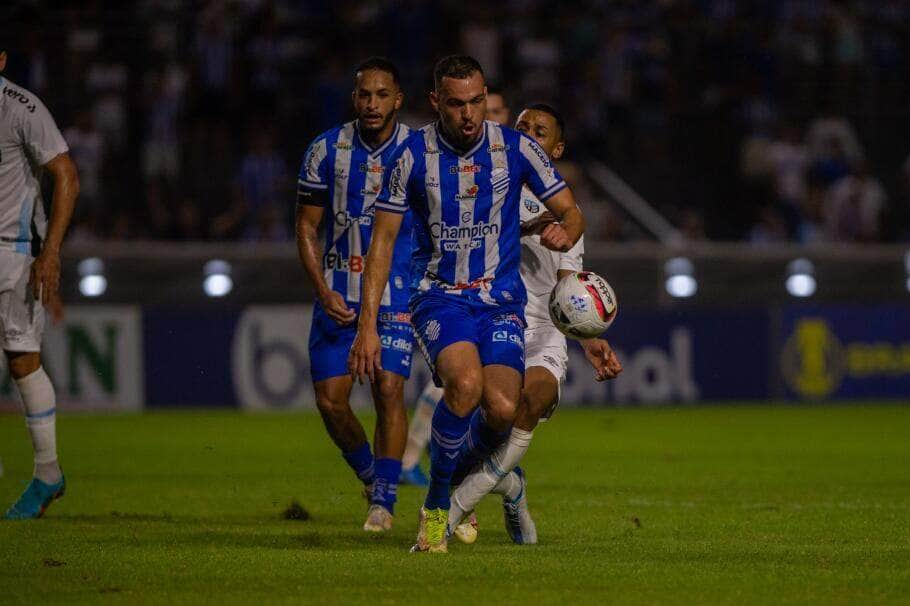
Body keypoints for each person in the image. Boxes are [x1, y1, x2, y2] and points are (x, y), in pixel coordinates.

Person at [348, 55, 585, 553]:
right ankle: (437, 508)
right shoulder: (410, 155)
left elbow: (571, 210)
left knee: (501, 408)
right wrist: (368, 324)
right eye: (457, 104)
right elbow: (383, 245)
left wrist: (568, 229)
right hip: (439, 296)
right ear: (437, 103)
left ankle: (467, 482)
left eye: (477, 101)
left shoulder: (517, 148)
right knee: (465, 387)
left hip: (500, 301)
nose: (470, 115)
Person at [448, 104, 622, 544]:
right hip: (489, 319)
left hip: (543, 330)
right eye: (522, 127)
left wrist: (590, 338)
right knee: (489, 419)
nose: (527, 134)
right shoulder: (488, 183)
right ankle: (512, 486)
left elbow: (568, 288)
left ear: (556, 148)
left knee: (530, 403)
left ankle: (455, 506)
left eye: (539, 131)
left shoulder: (565, 206)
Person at [295, 57, 413, 533]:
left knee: (389, 388)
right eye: (365, 94)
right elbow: (306, 227)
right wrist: (322, 290)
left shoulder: (419, 151)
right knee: (331, 401)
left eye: (382, 94)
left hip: (396, 294)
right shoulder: (326, 149)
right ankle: (370, 475)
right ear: (354, 98)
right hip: (339, 293)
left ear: (397, 100)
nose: (372, 103)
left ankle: (384, 500)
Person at [398, 88, 512, 487]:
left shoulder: (513, 169)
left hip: (507, 301)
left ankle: (451, 470)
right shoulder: (439, 164)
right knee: (461, 385)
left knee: (494, 401)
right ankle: (443, 478)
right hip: (453, 296)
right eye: (486, 108)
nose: (485, 116)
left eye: (495, 110)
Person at [0, 49, 80, 519]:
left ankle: (48, 473)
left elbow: (66, 173)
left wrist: (49, 251)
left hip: (12, 251)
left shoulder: (21, 108)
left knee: (23, 361)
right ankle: (47, 474)